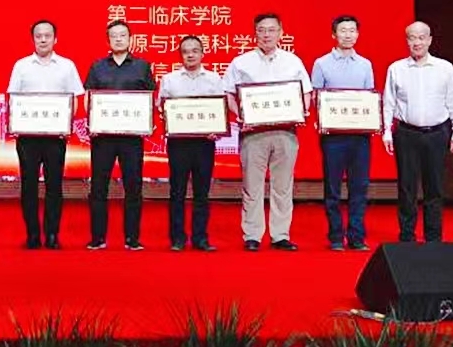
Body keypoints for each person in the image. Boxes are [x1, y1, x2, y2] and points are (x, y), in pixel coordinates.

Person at [223, 13, 312, 252]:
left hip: (285, 132)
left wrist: (301, 112)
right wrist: (241, 116)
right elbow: (229, 94)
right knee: (252, 186)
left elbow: (306, 92)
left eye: (271, 30)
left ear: (281, 33)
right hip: (253, 134)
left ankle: (280, 235)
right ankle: (252, 235)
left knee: (282, 186)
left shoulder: (292, 61)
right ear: (255, 33)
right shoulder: (241, 62)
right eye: (261, 30)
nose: (266, 35)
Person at [382, 21, 453, 243]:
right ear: (407, 41)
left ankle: (433, 237)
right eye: (412, 38)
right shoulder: (396, 69)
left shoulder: (445, 68)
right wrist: (386, 132)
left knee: (434, 188)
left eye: (421, 37)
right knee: (406, 187)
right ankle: (406, 236)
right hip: (406, 134)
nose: (417, 42)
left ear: (429, 40)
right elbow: (388, 103)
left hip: (437, 134)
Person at [6, 20, 84, 249]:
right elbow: (13, 99)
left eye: (47, 35)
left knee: (54, 186)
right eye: (38, 36)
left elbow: (74, 100)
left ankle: (52, 235)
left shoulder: (67, 66)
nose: (43, 39)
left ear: (55, 39)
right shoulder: (21, 66)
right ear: (33, 39)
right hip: (27, 138)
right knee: (28, 185)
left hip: (55, 138)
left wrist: (65, 126)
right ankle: (32, 235)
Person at [84, 20, 156, 251]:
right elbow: (89, 98)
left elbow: (150, 99)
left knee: (133, 186)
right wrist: (92, 122)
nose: (118, 39)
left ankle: (132, 238)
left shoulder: (142, 67)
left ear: (130, 39)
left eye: (123, 35)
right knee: (98, 187)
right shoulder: (97, 67)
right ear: (108, 40)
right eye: (114, 36)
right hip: (103, 137)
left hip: (132, 138)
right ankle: (98, 238)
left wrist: (147, 122)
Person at [310, 15, 375, 251]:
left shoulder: (365, 64)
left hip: (360, 136)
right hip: (333, 136)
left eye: (352, 30)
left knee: (359, 187)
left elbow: (369, 98)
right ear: (333, 35)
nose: (348, 35)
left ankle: (357, 236)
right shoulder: (321, 63)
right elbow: (315, 98)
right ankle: (336, 236)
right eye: (343, 31)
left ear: (358, 34)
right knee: (333, 188)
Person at [158, 35, 224, 252]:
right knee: (177, 191)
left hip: (204, 143)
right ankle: (177, 238)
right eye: (186, 51)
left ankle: (200, 238)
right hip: (179, 143)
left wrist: (216, 128)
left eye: (195, 50)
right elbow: (161, 108)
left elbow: (220, 109)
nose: (190, 55)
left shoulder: (214, 79)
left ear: (202, 53)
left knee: (201, 192)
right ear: (181, 55)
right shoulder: (170, 80)